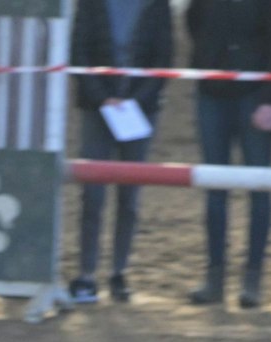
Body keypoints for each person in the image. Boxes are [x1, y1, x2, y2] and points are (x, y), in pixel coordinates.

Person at [183, 0, 271, 309]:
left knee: (260, 187)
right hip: (212, 94)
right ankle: (215, 277)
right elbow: (193, 20)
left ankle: (252, 278)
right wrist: (207, 59)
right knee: (214, 188)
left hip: (255, 96)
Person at [67, 0, 171, 305]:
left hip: (140, 110)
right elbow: (79, 53)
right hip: (97, 109)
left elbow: (163, 58)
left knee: (130, 197)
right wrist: (103, 99)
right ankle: (87, 272)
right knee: (92, 195)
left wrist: (136, 101)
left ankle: (119, 271)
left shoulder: (157, 5)